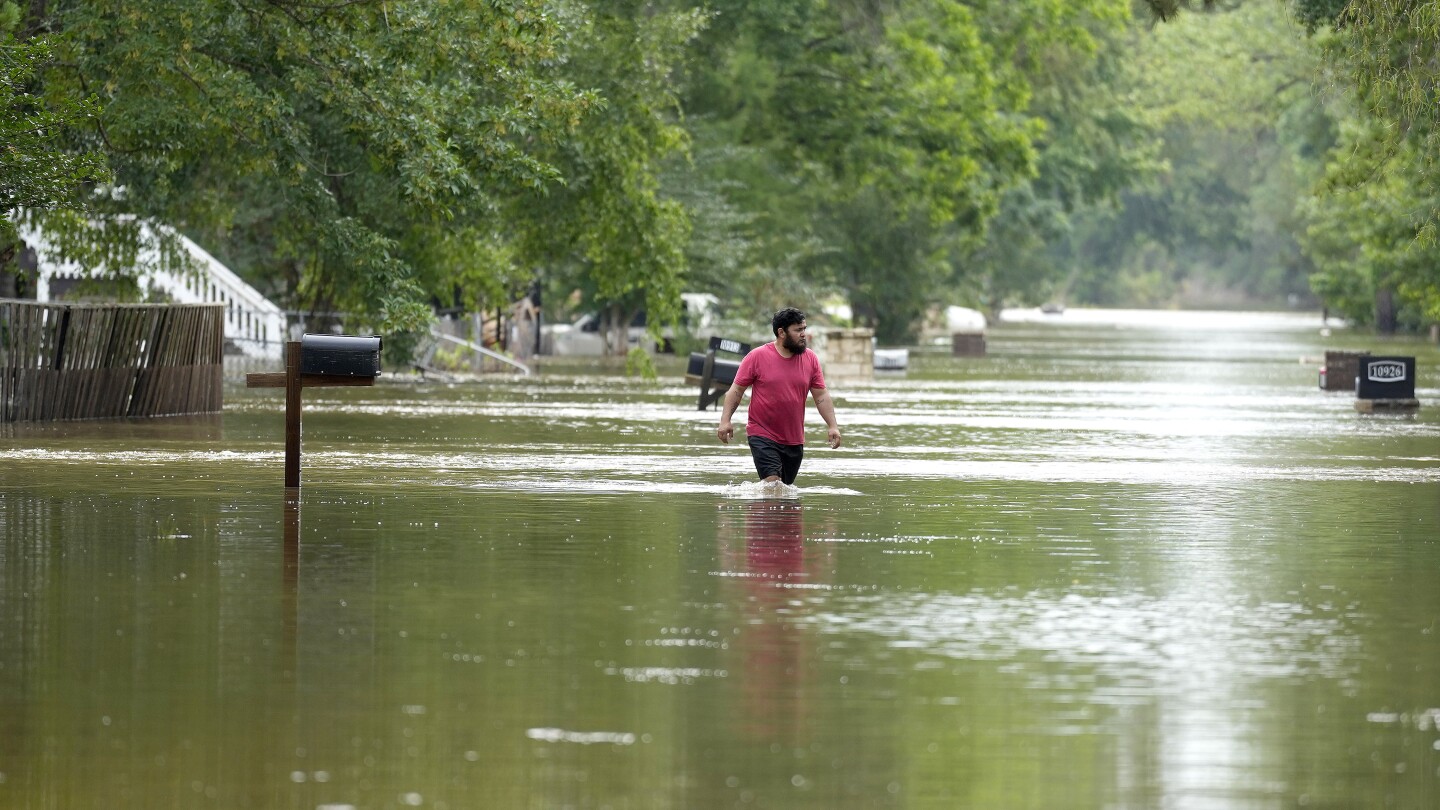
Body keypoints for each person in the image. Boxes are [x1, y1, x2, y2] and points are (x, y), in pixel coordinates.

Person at [716, 307, 841, 485]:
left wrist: (833, 426)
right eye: (798, 330)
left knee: (785, 490)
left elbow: (821, 396)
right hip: (762, 433)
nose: (803, 334)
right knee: (773, 484)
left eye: (804, 328)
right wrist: (725, 420)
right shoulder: (756, 357)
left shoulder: (811, 359)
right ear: (781, 332)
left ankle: (761, 512)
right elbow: (736, 391)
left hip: (794, 439)